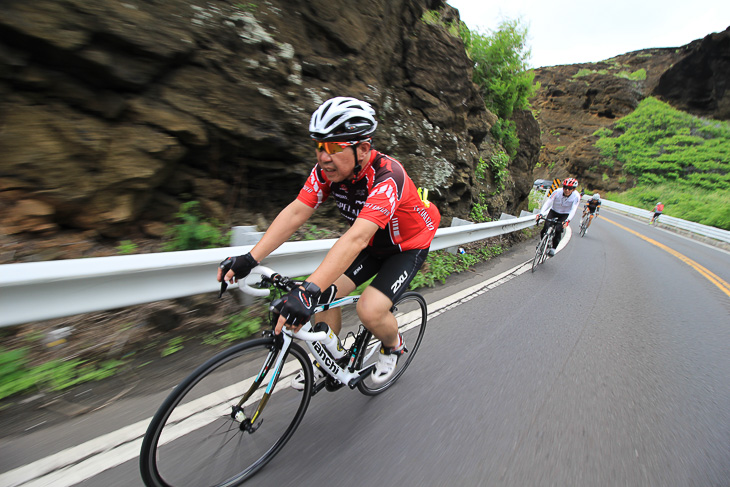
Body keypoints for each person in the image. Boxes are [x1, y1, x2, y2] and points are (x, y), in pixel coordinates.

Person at [217, 96, 441, 386]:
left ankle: (393, 344)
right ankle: (330, 361)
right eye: (320, 146)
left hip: (405, 247)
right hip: (373, 245)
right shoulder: (328, 173)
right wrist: (250, 258)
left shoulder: (387, 176)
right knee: (325, 295)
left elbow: (356, 238)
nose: (324, 156)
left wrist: (308, 290)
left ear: (363, 149)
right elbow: (297, 212)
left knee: (369, 310)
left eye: (335, 147)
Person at [535, 177, 580, 256]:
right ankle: (542, 243)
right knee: (545, 227)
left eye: (569, 188)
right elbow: (548, 202)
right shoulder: (557, 192)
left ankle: (553, 248)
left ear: (573, 189)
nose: (567, 190)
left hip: (565, 214)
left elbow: (574, 209)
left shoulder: (576, 196)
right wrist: (541, 213)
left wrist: (567, 220)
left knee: (558, 230)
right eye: (565, 187)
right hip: (554, 211)